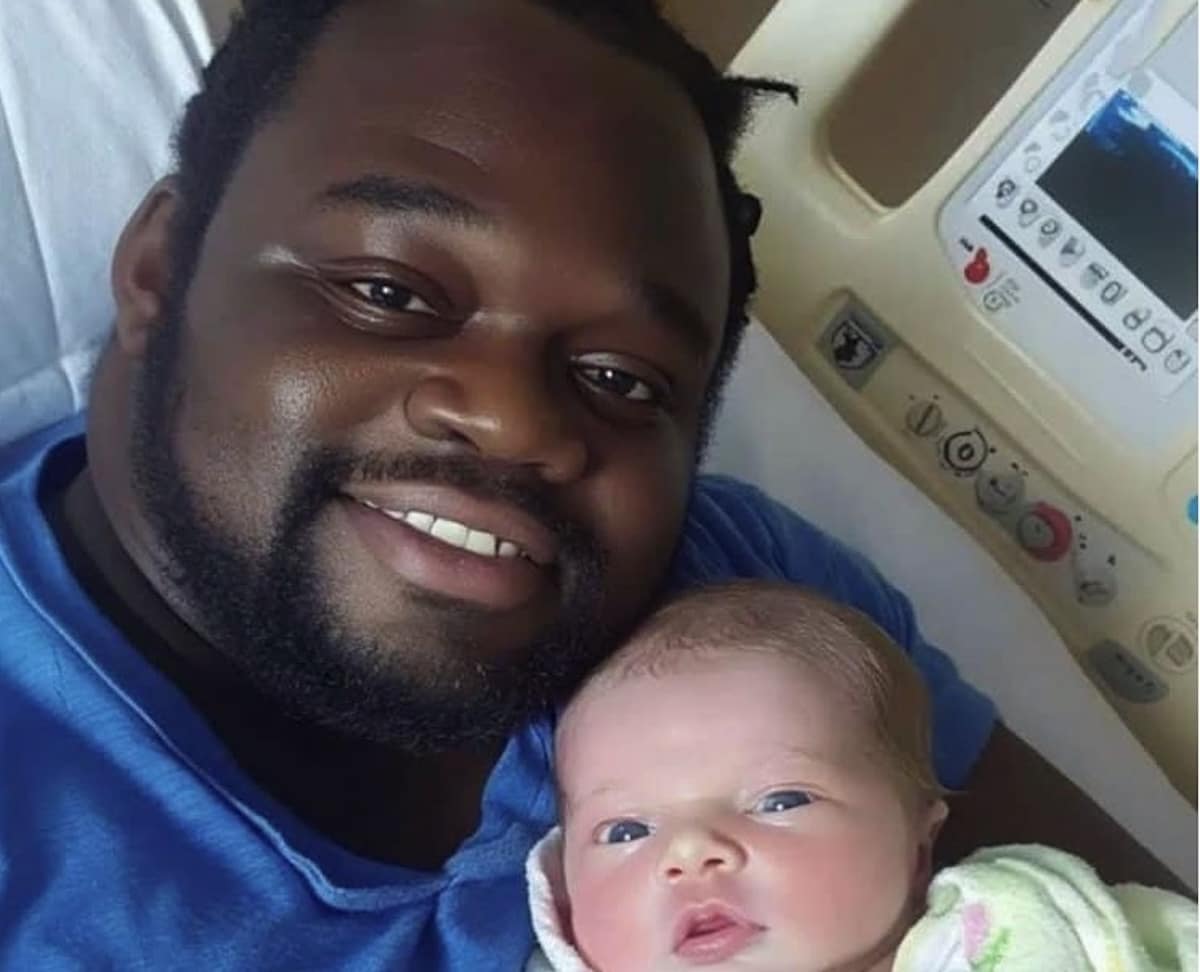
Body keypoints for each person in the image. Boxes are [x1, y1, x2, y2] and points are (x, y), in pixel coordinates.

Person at [0, 0, 1178, 969]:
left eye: (620, 377)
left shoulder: (750, 609)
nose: (515, 421)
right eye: (391, 294)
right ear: (159, 268)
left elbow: (1118, 929)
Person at [526, 582, 1197, 971]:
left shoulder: (1009, 932)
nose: (691, 850)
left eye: (780, 799)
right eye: (625, 831)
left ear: (917, 846)